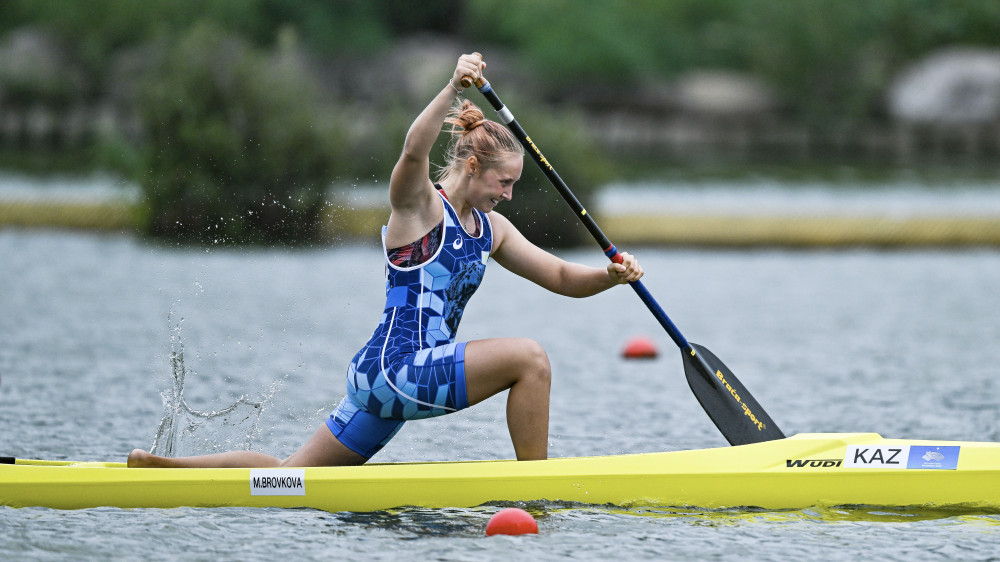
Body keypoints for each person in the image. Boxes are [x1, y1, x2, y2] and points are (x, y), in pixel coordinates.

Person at [128, 52, 643, 469]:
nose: (508, 195)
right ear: (472, 166)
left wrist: (610, 277)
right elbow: (412, 154)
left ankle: (167, 472)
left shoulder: (493, 230)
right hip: (399, 371)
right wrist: (451, 88)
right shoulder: (420, 209)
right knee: (529, 359)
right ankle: (539, 490)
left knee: (290, 479)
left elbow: (557, 275)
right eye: (503, 182)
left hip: (387, 378)